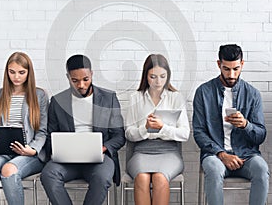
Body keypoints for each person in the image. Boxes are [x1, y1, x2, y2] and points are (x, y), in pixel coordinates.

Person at [40, 54, 125, 205]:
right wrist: (58, 150)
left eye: (86, 79)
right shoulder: (57, 101)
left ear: (91, 74)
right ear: (68, 77)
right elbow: (49, 136)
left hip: (99, 159)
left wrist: (103, 148)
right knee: (48, 175)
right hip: (67, 161)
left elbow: (119, 136)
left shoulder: (108, 98)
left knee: (102, 178)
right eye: (75, 80)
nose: (81, 85)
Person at [193, 44, 270, 205]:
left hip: (246, 155)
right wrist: (222, 154)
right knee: (213, 170)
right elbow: (199, 132)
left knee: (262, 170)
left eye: (235, 69)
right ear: (218, 64)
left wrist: (245, 125)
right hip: (215, 155)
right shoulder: (203, 92)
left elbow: (261, 135)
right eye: (226, 69)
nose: (231, 74)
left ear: (242, 64)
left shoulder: (252, 94)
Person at [0, 52, 48, 205]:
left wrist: (32, 149)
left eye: (21, 72)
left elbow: (43, 131)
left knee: (9, 171)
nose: (16, 77)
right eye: (12, 72)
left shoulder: (40, 95)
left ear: (29, 73)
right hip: (2, 151)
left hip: (28, 154)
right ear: (7, 72)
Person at [125, 54, 190, 205]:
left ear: (168, 76)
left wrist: (163, 128)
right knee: (142, 177)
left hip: (169, 152)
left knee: (160, 177)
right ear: (146, 76)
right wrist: (145, 129)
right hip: (141, 151)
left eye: (162, 76)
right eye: (153, 76)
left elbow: (185, 134)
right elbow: (128, 133)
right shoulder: (135, 98)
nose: (158, 81)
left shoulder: (176, 97)